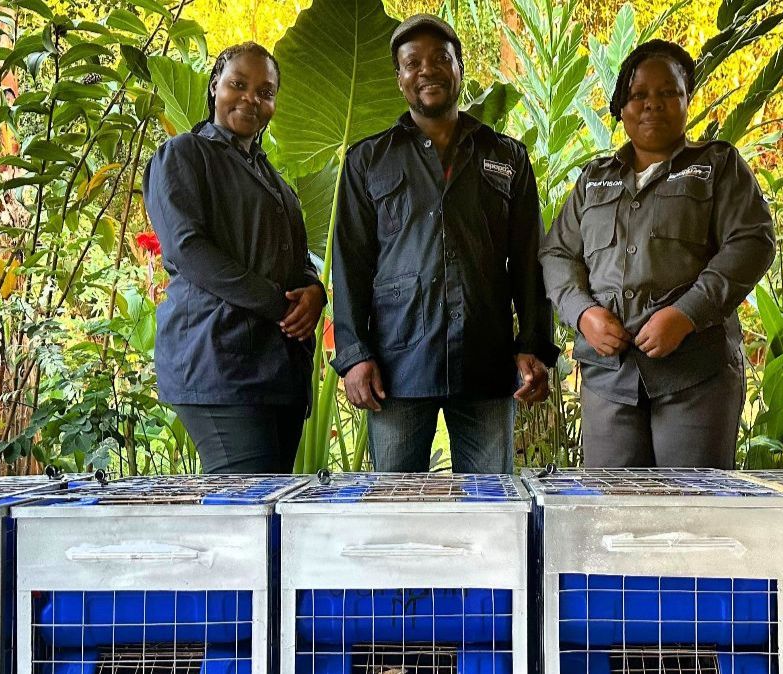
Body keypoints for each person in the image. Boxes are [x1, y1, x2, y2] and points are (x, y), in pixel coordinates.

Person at [330, 14, 559, 474]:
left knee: (493, 508)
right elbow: (350, 263)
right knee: (396, 504)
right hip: (397, 367)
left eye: (440, 58)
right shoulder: (368, 160)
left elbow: (530, 259)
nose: (427, 70)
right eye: (412, 63)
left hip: (486, 361)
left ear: (459, 67)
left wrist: (533, 344)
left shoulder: (505, 156)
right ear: (399, 79)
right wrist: (355, 356)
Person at [540, 39, 775, 468]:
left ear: (687, 100)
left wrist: (686, 314)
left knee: (690, 512)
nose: (653, 104)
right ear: (621, 108)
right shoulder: (595, 180)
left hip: (695, 376)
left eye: (669, 92)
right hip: (608, 378)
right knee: (614, 513)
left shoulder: (716, 166)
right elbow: (557, 253)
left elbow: (751, 243)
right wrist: (584, 314)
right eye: (639, 95)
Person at [142, 42, 326, 473]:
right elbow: (188, 249)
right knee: (244, 517)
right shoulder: (184, 155)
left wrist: (315, 292)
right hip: (219, 365)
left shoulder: (276, 181)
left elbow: (298, 258)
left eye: (265, 91)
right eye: (238, 85)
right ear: (214, 87)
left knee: (269, 512)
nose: (251, 99)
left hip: (277, 372)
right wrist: (280, 304)